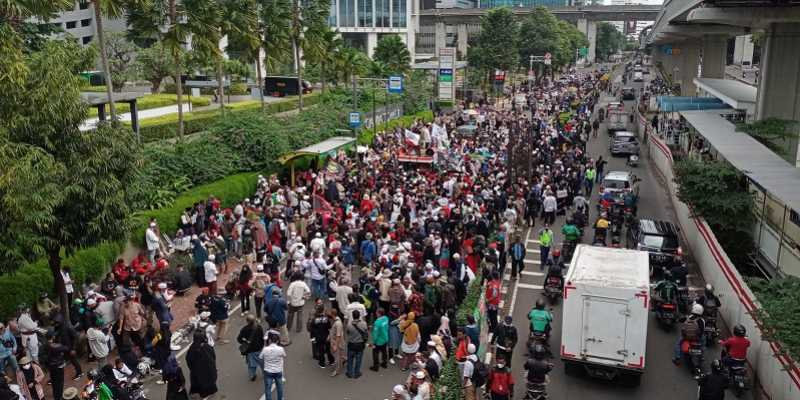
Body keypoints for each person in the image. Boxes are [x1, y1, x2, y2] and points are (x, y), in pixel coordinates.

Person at [186, 331, 218, 399]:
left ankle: (194, 393)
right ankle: (205, 396)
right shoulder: (207, 347)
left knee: (196, 382)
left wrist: (192, 369)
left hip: (196, 372)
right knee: (207, 383)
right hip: (208, 371)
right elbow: (213, 357)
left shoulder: (192, 348)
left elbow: (188, 359)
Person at [259, 331, 286, 400]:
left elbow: (260, 357)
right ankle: (280, 398)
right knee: (279, 387)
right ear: (277, 341)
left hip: (268, 371)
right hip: (278, 370)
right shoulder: (281, 349)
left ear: (270, 340)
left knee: (268, 388)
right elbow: (284, 356)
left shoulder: (265, 349)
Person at [237, 314, 265, 382]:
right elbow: (262, 338)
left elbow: (239, 339)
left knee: (251, 364)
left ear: (247, 321)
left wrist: (245, 341)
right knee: (263, 363)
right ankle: (265, 374)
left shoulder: (244, 329)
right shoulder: (259, 327)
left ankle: (252, 376)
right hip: (259, 348)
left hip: (250, 350)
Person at [45, 332, 70, 400]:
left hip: (51, 367)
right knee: (59, 383)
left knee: (54, 382)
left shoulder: (44, 344)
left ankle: (56, 396)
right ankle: (59, 397)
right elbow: (66, 348)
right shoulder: (55, 346)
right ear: (52, 337)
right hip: (58, 367)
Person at [345, 310, 368, 379]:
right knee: (358, 360)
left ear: (352, 316)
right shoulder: (364, 323)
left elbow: (348, 332)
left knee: (350, 360)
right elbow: (365, 332)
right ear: (359, 315)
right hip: (360, 345)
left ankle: (349, 373)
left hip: (351, 344)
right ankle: (357, 373)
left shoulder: (349, 325)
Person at [328, 309, 345, 377]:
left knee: (336, 357)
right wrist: (329, 336)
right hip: (334, 341)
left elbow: (338, 335)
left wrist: (336, 345)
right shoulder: (337, 319)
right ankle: (344, 358)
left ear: (332, 314)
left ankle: (337, 370)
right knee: (334, 353)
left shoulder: (338, 323)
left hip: (337, 342)